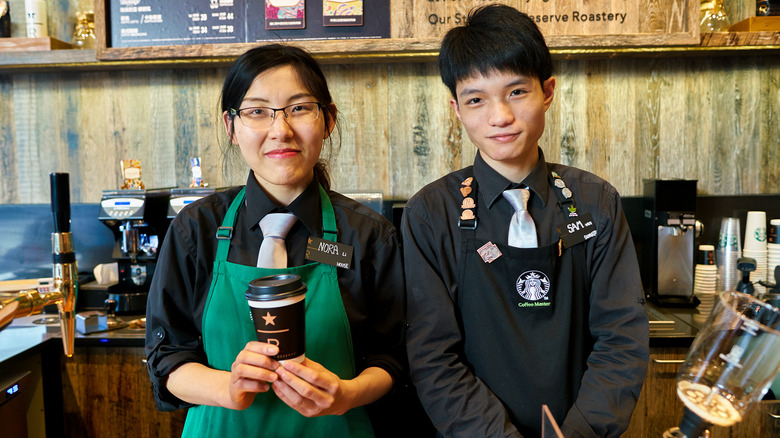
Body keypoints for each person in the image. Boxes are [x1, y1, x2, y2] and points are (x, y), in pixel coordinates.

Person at [401, 5, 650, 437]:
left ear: (548, 91)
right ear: (456, 109)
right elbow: (433, 356)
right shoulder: (430, 213)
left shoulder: (596, 202)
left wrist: (581, 433)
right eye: (476, 99)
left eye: (516, 92)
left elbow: (621, 338)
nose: (499, 116)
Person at [145, 44, 412, 437]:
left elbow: (394, 357)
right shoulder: (196, 229)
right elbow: (166, 356)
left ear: (328, 119)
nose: (280, 130)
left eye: (299, 108)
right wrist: (227, 388)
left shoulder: (369, 235)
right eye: (257, 112)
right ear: (231, 127)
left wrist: (347, 393)